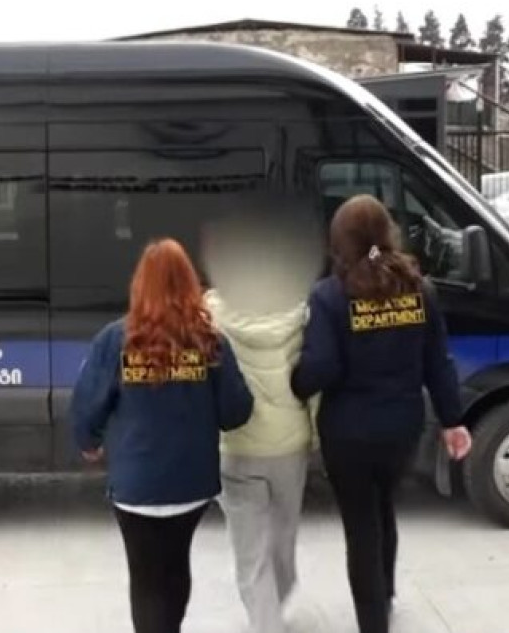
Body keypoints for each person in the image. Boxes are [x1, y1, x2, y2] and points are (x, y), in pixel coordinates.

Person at [290, 194, 472, 633]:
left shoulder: (329, 296)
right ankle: (385, 593)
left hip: (348, 435)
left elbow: (322, 367)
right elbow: (438, 363)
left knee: (361, 527)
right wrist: (453, 420)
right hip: (402, 429)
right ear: (387, 233)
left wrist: (296, 381)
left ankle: (373, 622)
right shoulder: (419, 290)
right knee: (384, 506)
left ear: (339, 240)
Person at [72, 238, 254, 633]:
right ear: (190, 284)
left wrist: (89, 443)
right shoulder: (210, 341)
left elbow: (86, 405)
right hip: (191, 484)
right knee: (175, 565)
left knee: (144, 577)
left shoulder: (115, 339)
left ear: (139, 285)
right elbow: (236, 412)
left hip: (135, 485)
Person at [201, 203, 321, 633]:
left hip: (235, 447)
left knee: (250, 552)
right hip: (290, 445)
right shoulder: (301, 311)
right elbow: (314, 379)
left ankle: (264, 620)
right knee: (283, 539)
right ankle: (275, 607)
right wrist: (316, 432)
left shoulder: (210, 312)